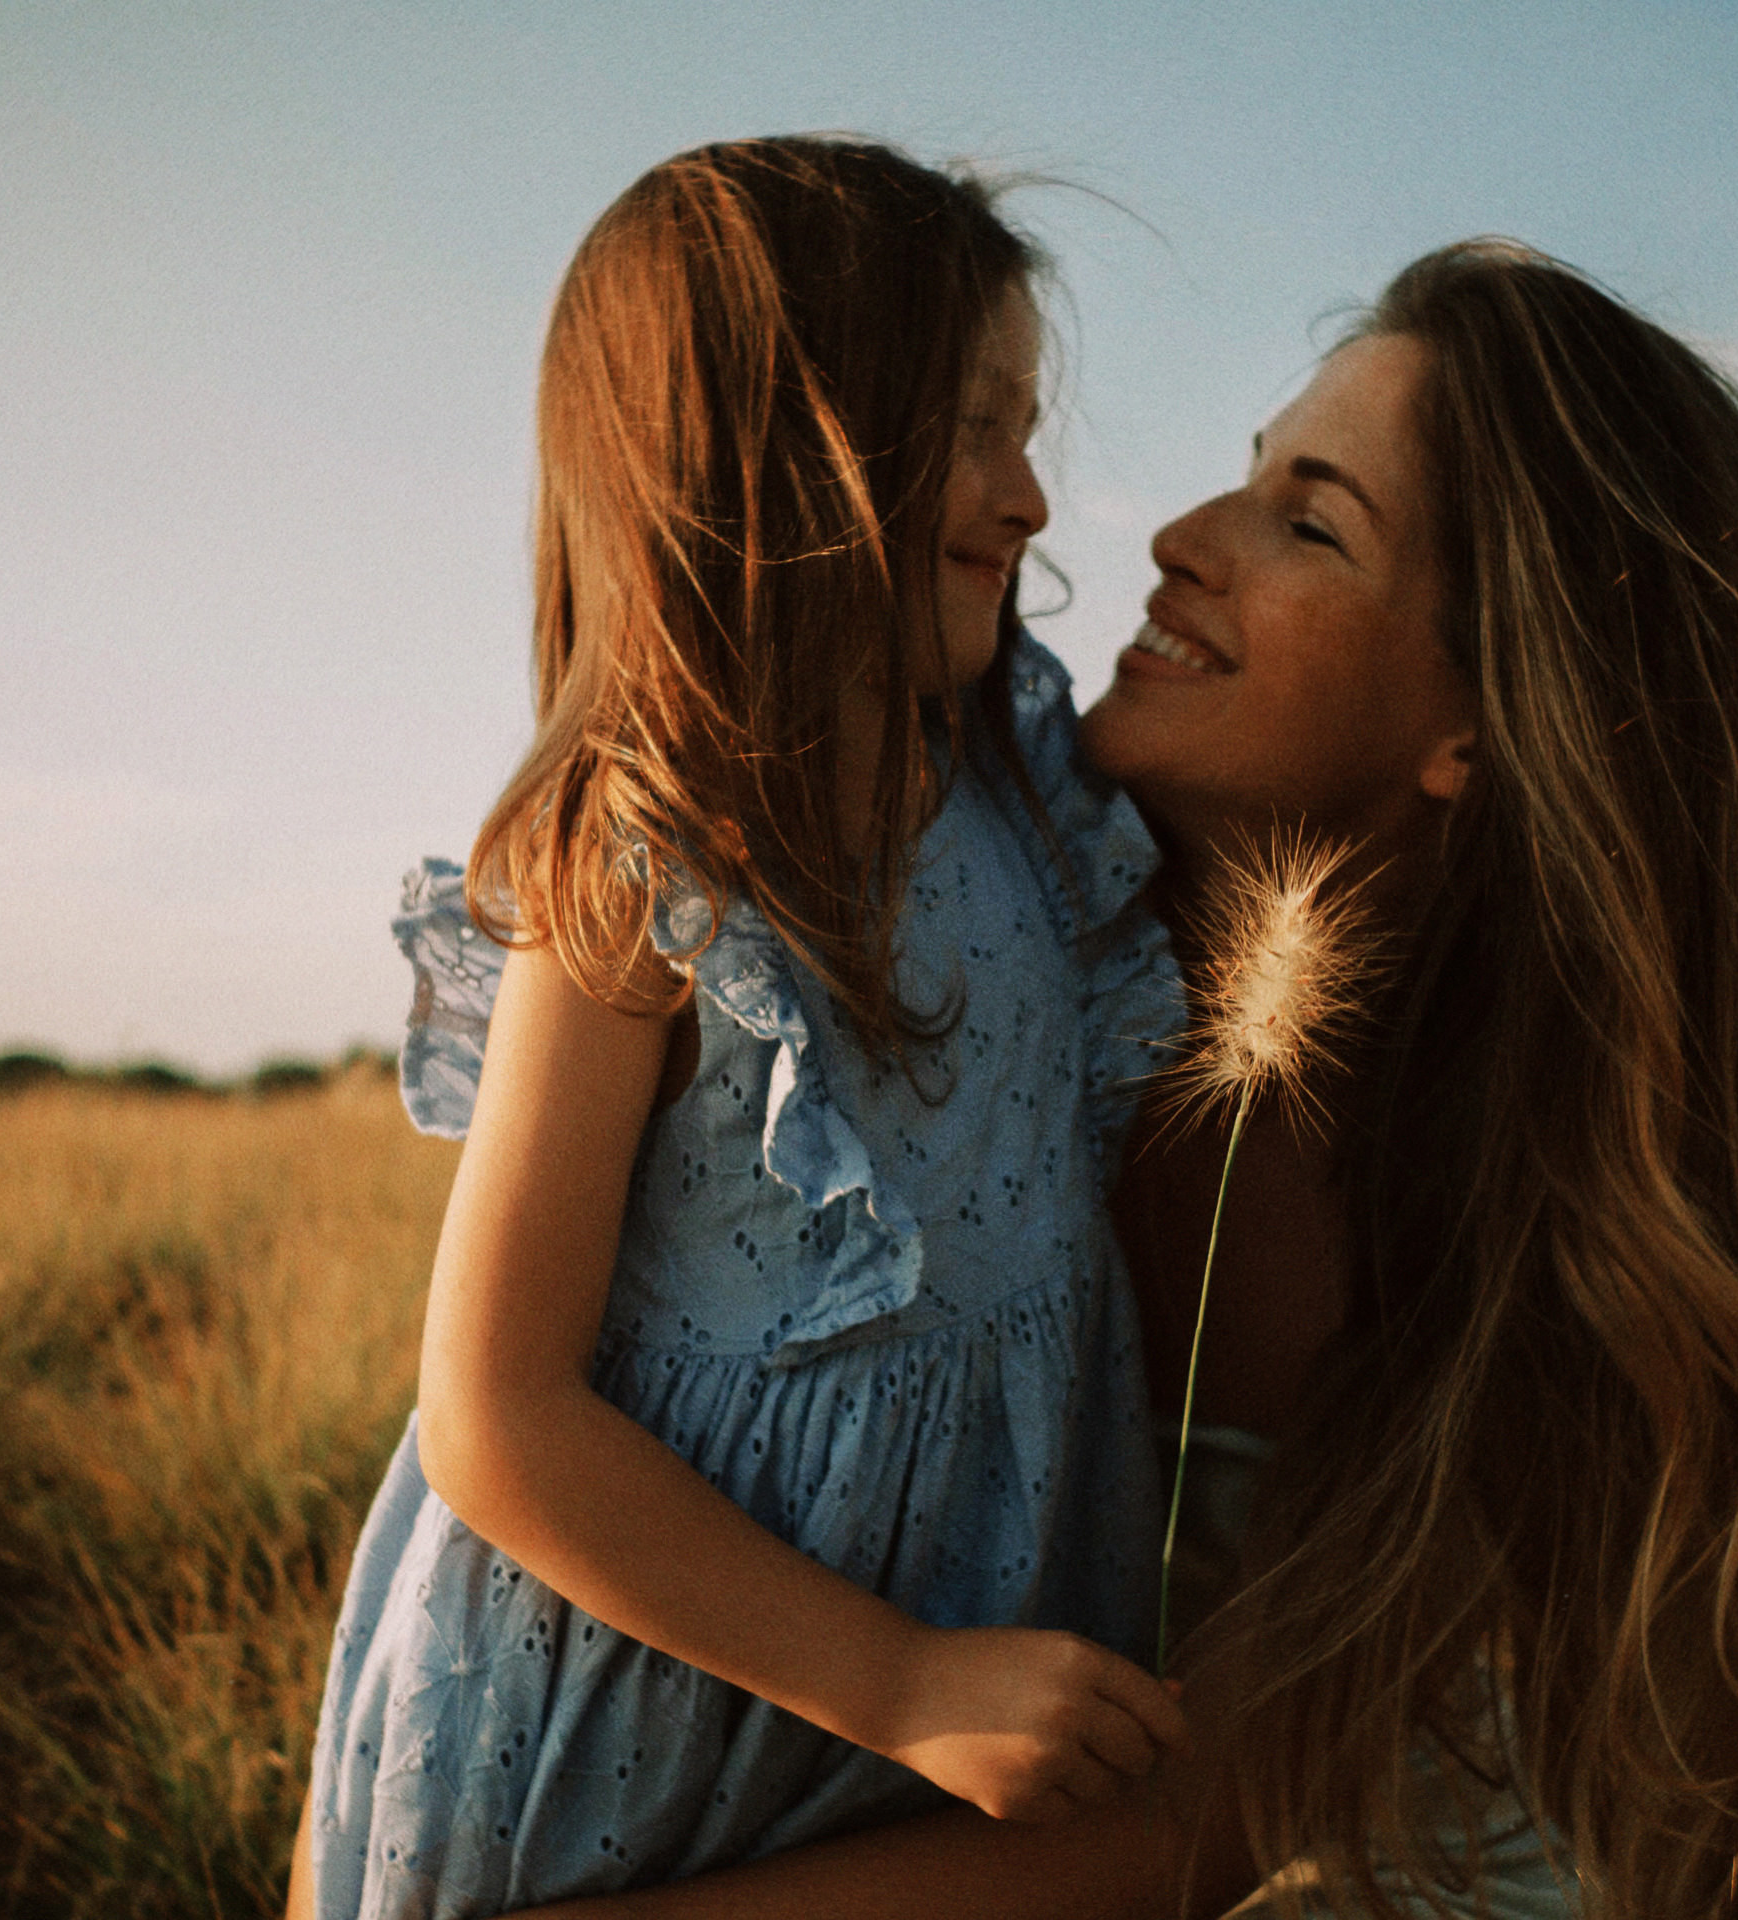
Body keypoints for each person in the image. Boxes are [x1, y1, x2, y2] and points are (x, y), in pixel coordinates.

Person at [526, 239, 1738, 1920]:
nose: (1171, 541)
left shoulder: (1523, 1243)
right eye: (1243, 473)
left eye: (1310, 521)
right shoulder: (1018, 972)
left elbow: (1177, 1833)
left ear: (1487, 727)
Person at [287, 136, 1189, 1920]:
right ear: (783, 455)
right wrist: (902, 1684)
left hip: (948, 1662)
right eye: (982, 427)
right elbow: (493, 1409)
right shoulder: (648, 859)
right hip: (650, 1710)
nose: (1031, 499)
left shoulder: (1018, 794)